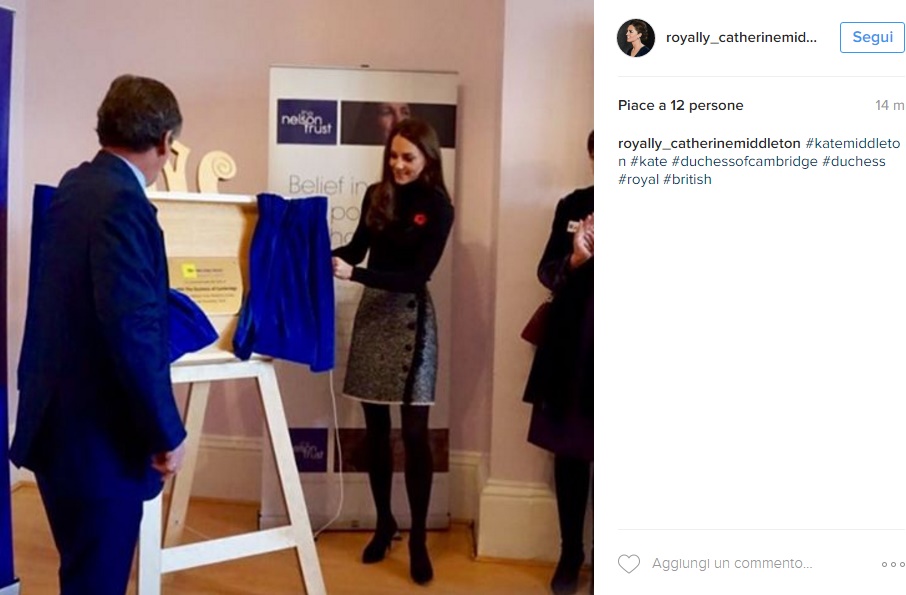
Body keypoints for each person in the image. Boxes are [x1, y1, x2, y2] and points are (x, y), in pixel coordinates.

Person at [10, 74, 187, 595]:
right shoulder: (124, 203)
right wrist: (167, 431)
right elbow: (133, 330)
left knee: (84, 573)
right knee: (98, 582)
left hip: (58, 430)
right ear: (164, 142)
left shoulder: (76, 186)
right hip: (98, 442)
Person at [332, 117, 454, 585]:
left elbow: (416, 277)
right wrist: (320, 253)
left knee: (416, 434)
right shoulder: (375, 195)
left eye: (408, 157)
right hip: (373, 319)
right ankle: (384, 524)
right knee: (376, 431)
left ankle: (419, 538)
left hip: (411, 321)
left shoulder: (438, 207)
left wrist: (355, 275)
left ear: (427, 159)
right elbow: (356, 249)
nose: (398, 165)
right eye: (393, 155)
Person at [523, 130, 594, 595]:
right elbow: (546, 272)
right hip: (574, 347)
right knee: (570, 453)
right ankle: (571, 553)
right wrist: (575, 259)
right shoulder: (574, 206)